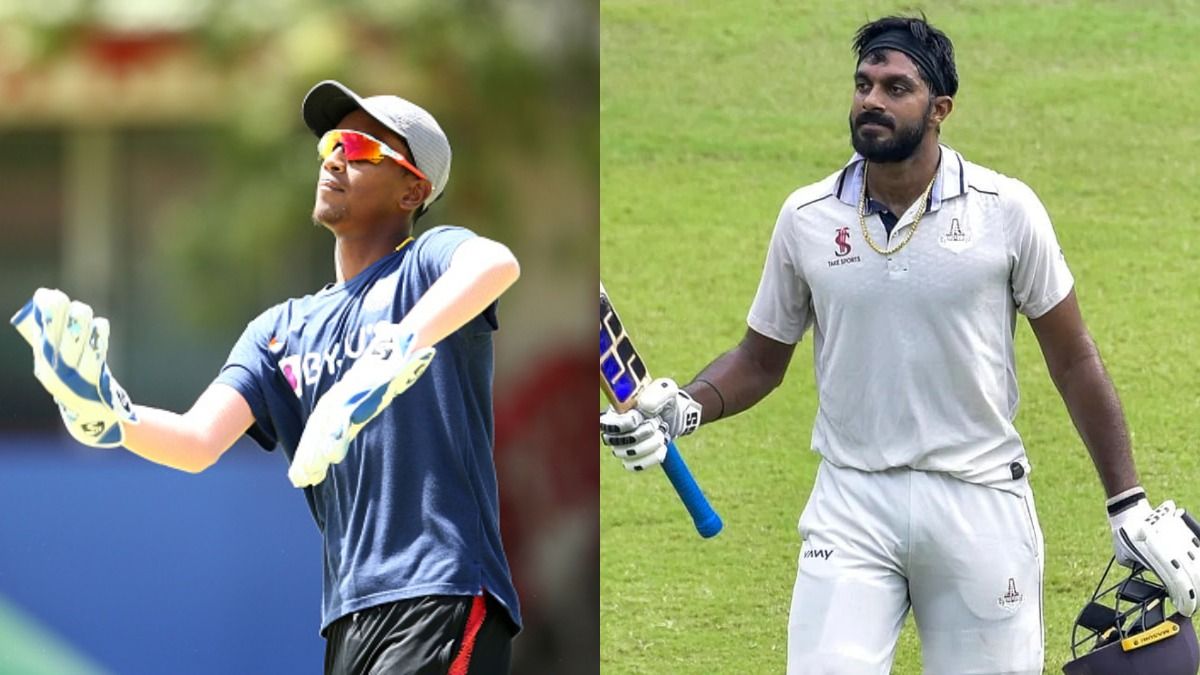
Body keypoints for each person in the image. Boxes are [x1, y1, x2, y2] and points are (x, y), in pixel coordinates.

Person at [600, 15, 1200, 674]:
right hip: (852, 500)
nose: (872, 101)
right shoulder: (806, 217)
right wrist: (687, 405)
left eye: (895, 87)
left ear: (940, 109)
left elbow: (1074, 357)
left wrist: (1127, 501)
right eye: (863, 84)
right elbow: (758, 360)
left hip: (979, 499)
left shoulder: (1006, 210)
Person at [13, 80, 522, 674]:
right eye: (332, 143)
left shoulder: (426, 264)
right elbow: (196, 441)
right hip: (348, 614)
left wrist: (392, 352)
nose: (334, 156)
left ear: (414, 188)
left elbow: (495, 263)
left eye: (361, 148)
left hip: (443, 590)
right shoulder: (281, 328)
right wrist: (108, 414)